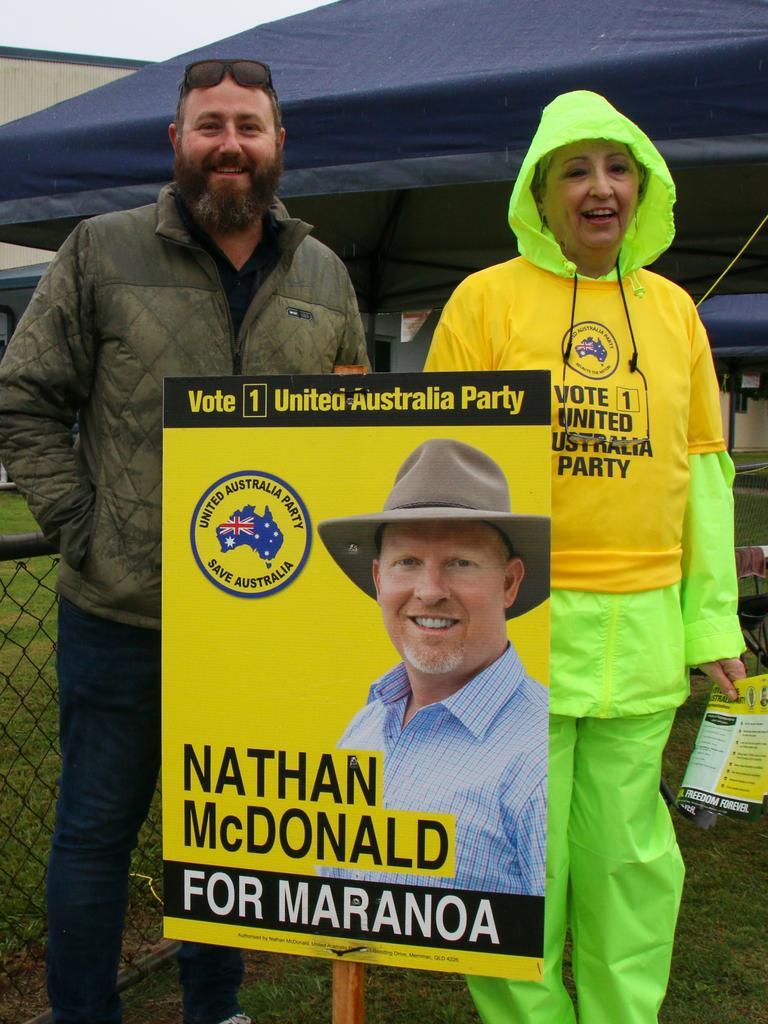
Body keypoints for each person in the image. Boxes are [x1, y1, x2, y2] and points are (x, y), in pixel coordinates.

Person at [0, 59, 367, 1024]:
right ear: (177, 142)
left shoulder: (324, 272)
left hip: (260, 623)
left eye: (250, 125)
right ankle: (85, 1014)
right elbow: (24, 399)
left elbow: (357, 430)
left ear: (280, 144)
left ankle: (218, 1006)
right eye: (211, 125)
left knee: (233, 834)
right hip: (122, 613)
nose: (230, 144)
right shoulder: (101, 248)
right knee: (94, 835)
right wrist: (79, 527)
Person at [425, 91, 745, 1024]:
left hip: (640, 636)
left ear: (644, 189)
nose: (599, 189)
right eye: (576, 169)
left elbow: (705, 471)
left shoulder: (677, 310)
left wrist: (711, 618)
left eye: (617, 169)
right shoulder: (485, 301)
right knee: (513, 864)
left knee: (628, 864)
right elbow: (443, 473)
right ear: (540, 189)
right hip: (512, 635)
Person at [318, 438, 550, 895]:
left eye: (460, 563)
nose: (429, 591)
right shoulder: (366, 726)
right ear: (380, 579)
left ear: (509, 582)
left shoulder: (543, 761)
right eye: (408, 562)